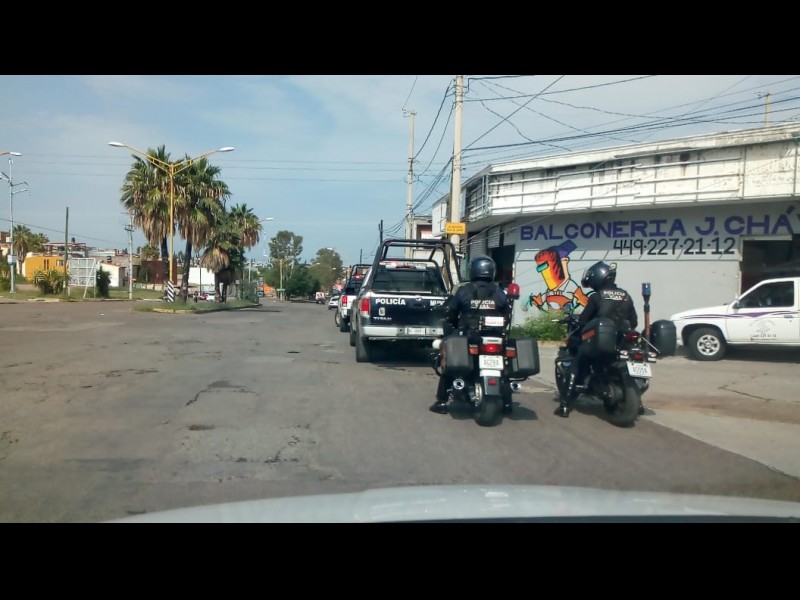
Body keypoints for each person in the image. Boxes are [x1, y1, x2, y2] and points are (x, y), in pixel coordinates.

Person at [430, 256, 512, 415]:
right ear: (491, 271)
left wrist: (453, 322)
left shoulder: (464, 290)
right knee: (505, 365)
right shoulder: (499, 291)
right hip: (495, 336)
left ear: (473, 270)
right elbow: (506, 314)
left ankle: (442, 401)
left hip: (469, 335)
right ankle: (507, 402)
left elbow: (451, 310)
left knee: (448, 358)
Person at [559, 260, 639, 416]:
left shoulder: (597, 297)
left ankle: (565, 405)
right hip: (621, 343)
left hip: (600, 343)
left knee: (578, 361)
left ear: (598, 277)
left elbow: (583, 321)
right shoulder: (626, 296)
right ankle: (638, 403)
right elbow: (634, 321)